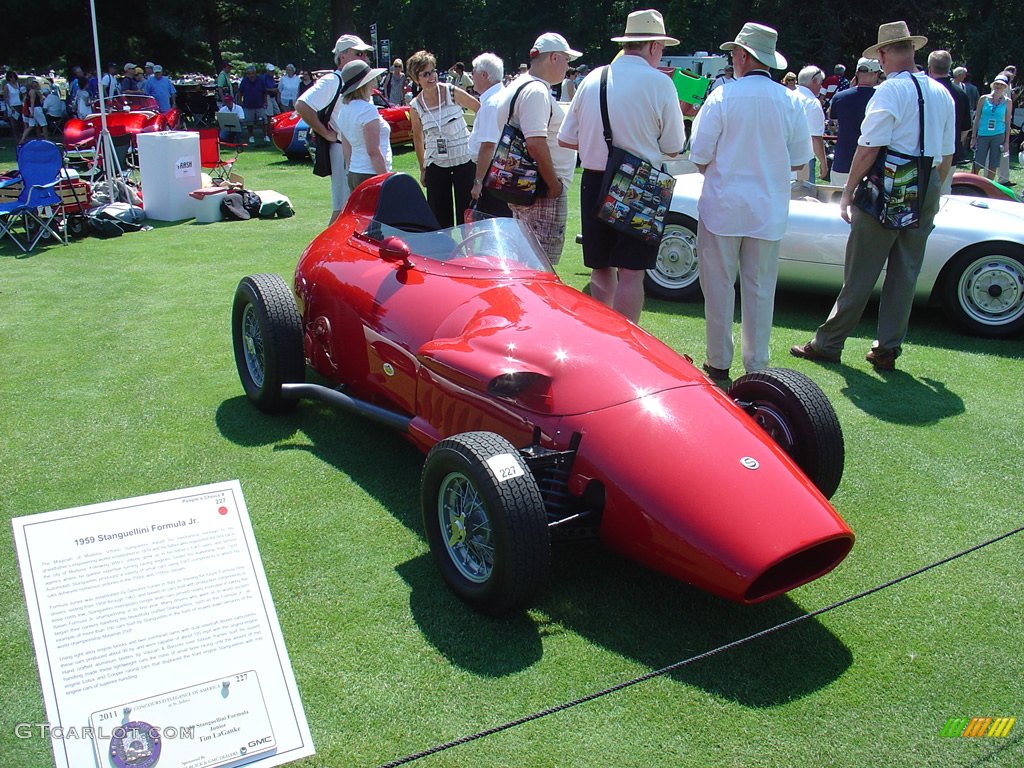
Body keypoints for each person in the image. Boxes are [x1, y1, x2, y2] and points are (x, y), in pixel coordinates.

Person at [791, 20, 955, 372]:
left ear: (882, 54)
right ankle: (887, 348)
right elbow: (946, 157)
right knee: (906, 270)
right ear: (912, 50)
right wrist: (931, 192)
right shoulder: (942, 91)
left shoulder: (889, 91)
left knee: (861, 270)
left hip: (890, 181)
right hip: (926, 181)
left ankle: (829, 342)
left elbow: (869, 148)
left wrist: (848, 191)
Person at [689, 22, 811, 381]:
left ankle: (718, 361)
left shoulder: (723, 97)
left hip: (723, 206)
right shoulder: (790, 101)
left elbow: (699, 155)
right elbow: (800, 159)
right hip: (767, 208)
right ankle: (756, 365)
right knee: (760, 289)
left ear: (742, 55)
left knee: (718, 287)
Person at [557, 9, 685, 323]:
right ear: (654, 46)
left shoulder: (592, 78)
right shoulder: (660, 84)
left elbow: (566, 138)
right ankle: (627, 342)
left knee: (600, 267)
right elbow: (673, 147)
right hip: (639, 182)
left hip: (594, 178)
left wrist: (600, 143)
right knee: (632, 272)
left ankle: (604, 336)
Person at [494, 33, 580, 265]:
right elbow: (535, 142)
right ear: (554, 58)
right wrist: (553, 184)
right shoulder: (536, 91)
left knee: (524, 262)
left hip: (523, 186)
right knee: (541, 267)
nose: (567, 66)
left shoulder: (516, 86)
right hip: (540, 190)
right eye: (566, 60)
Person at [297, 34, 375, 223]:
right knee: (343, 207)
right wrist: (326, 133)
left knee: (360, 207)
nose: (364, 57)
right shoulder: (333, 81)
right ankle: (327, 250)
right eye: (359, 53)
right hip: (342, 149)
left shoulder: (357, 81)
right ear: (343, 56)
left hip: (358, 152)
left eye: (365, 54)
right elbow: (302, 105)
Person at [408, 49, 480, 228]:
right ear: (417, 79)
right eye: (425, 74)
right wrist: (423, 168)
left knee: (467, 215)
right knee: (439, 216)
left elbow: (480, 109)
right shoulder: (416, 105)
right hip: (436, 163)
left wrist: (477, 141)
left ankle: (469, 253)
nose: (431, 77)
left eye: (432, 71)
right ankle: (443, 253)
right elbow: (418, 138)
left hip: (464, 159)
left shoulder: (451, 92)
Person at [336, 59, 392, 192]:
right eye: (370, 80)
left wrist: (349, 171)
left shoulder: (344, 110)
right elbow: (373, 151)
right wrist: (386, 179)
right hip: (372, 173)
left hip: (355, 172)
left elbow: (346, 150)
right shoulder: (367, 110)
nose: (373, 83)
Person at [467, 52, 512, 217]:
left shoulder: (492, 103)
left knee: (491, 222)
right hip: (500, 169)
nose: (471, 76)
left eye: (474, 72)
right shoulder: (500, 96)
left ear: (484, 75)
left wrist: (478, 182)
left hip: (491, 172)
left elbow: (488, 146)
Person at [829, 57, 882, 188]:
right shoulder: (882, 97)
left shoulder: (839, 97)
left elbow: (833, 123)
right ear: (875, 74)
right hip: (873, 163)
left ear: (857, 73)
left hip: (843, 160)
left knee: (836, 204)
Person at [927, 50, 970, 173]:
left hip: (925, 155)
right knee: (944, 191)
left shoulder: (924, 91)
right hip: (950, 155)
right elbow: (965, 129)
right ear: (949, 67)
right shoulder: (961, 94)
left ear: (929, 68)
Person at [971, 75, 1012, 179]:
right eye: (997, 84)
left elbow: (1007, 122)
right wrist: (973, 137)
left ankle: (988, 187)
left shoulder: (1008, 102)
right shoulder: (983, 99)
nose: (998, 86)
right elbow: (977, 118)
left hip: (998, 135)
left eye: (1001, 85)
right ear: (993, 85)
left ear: (1005, 87)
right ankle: (972, 183)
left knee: (993, 164)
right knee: (978, 163)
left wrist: (1007, 141)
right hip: (983, 134)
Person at [795, 65, 828, 181]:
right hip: (803, 159)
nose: (821, 87)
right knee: (804, 196)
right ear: (814, 81)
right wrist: (823, 162)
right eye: (820, 83)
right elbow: (815, 137)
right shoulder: (813, 103)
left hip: (781, 156)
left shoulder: (786, 97)